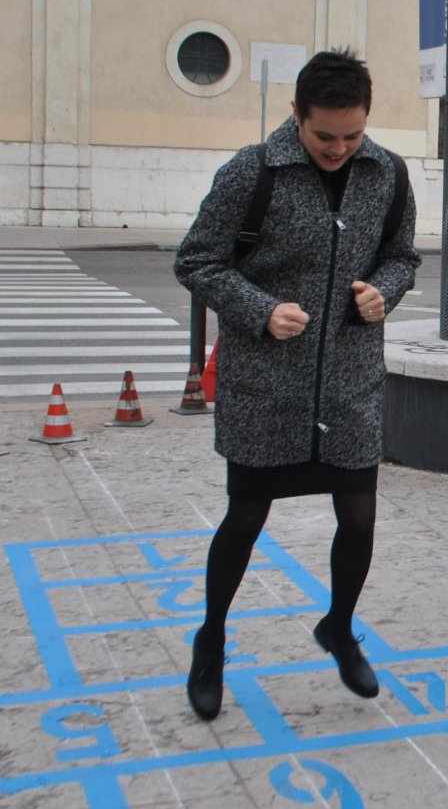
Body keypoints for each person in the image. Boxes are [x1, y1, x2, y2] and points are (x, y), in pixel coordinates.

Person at [172, 49, 418, 721]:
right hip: (265, 387)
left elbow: (402, 256)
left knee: (360, 515)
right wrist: (258, 308)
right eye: (324, 136)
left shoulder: (389, 173)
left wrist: (384, 292)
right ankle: (211, 641)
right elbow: (196, 260)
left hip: (349, 383)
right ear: (296, 117)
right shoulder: (250, 173)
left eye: (352, 135)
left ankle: (338, 626)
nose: (339, 148)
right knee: (247, 517)